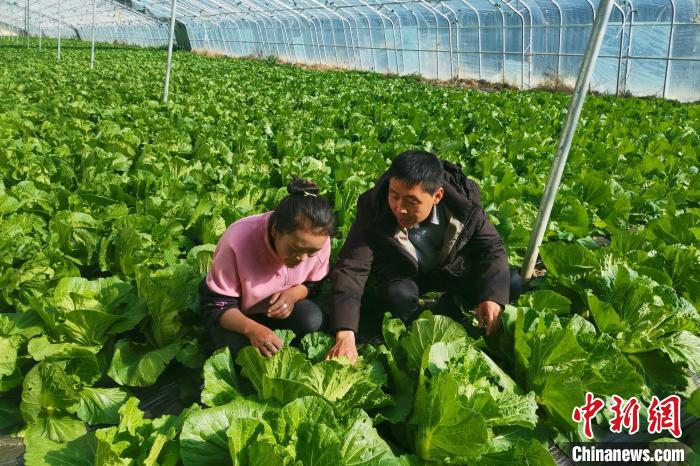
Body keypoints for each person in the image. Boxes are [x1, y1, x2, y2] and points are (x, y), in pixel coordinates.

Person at [325, 150, 521, 363]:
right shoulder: (374, 208)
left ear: (437, 196)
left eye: (412, 201)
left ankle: (448, 308)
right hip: (402, 275)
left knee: (510, 283)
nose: (400, 209)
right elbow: (352, 267)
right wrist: (345, 332)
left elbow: (491, 247)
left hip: (450, 271)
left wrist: (492, 298)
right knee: (396, 295)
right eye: (394, 195)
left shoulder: (464, 206)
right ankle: (416, 325)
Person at [199, 179, 335, 358]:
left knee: (314, 319)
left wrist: (293, 295)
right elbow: (217, 304)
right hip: (236, 315)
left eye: (311, 252)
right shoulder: (237, 240)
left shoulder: (319, 240)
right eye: (294, 249)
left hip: (277, 314)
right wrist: (252, 329)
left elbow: (314, 284)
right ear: (275, 231)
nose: (302, 258)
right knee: (244, 353)